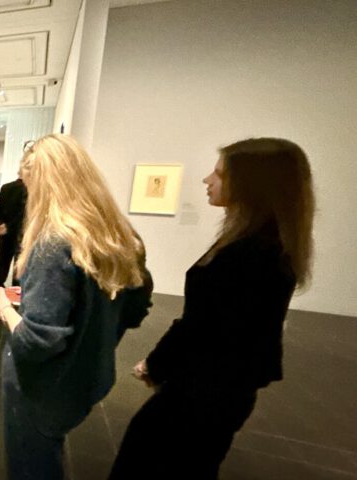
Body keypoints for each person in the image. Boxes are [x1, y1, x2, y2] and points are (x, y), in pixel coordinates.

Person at [109, 138, 314, 480]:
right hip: (219, 390)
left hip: (203, 392)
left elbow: (203, 326)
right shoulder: (267, 247)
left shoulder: (249, 254)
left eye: (219, 174)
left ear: (251, 185)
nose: (207, 180)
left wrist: (157, 364)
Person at [0, 134, 153, 479]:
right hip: (85, 377)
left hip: (40, 387)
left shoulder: (52, 244)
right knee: (48, 452)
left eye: (31, 187)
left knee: (32, 465)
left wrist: (5, 310)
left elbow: (36, 341)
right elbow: (137, 307)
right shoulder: (120, 236)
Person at [0, 141, 31, 287]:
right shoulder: (28, 191)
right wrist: (9, 225)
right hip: (21, 230)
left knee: (2, 259)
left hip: (5, 231)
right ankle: (16, 287)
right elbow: (24, 212)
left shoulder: (6, 188)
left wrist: (1, 223)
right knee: (19, 260)